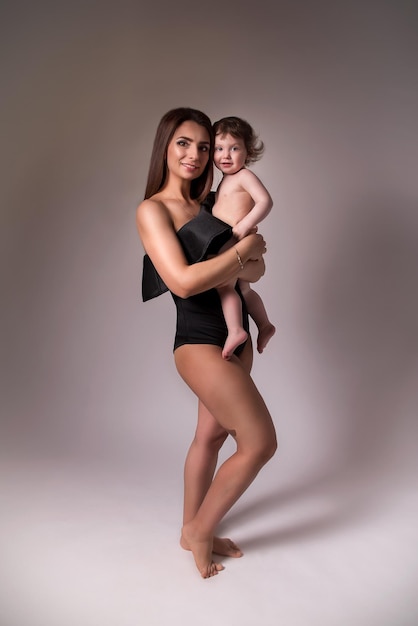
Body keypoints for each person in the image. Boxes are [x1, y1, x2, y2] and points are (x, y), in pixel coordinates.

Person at [136, 107, 277, 578]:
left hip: (235, 339)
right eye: (184, 143)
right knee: (258, 442)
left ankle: (190, 528)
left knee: (211, 435)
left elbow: (255, 270)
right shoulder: (153, 209)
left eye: (203, 146)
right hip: (197, 342)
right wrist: (241, 253)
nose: (195, 154)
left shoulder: (211, 205)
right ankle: (202, 530)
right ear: (166, 146)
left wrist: (245, 257)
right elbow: (183, 282)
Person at [212, 116, 276, 359]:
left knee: (224, 284)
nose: (225, 155)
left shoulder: (244, 176)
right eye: (219, 148)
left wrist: (245, 224)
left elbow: (265, 201)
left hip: (236, 239)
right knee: (244, 290)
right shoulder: (225, 180)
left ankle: (236, 329)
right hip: (231, 240)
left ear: (248, 152)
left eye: (234, 148)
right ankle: (264, 325)